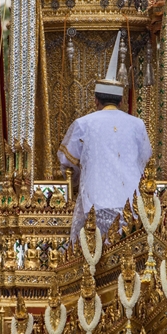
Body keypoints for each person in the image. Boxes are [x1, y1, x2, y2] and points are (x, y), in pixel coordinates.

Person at [57, 32, 152, 243]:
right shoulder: (137, 124)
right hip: (133, 205)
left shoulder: (84, 123)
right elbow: (145, 160)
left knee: (92, 260)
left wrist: (74, 183)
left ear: (95, 100)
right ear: (120, 101)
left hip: (96, 202)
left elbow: (66, 163)